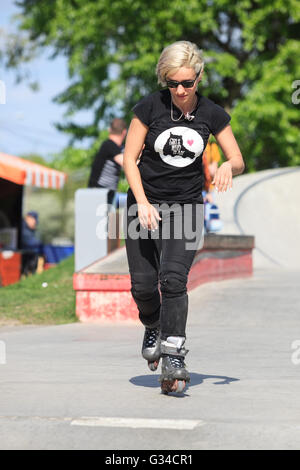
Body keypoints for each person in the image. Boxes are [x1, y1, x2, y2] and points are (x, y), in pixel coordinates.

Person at [123, 40, 245, 394]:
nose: (179, 90)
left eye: (187, 83)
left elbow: (238, 159)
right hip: (142, 205)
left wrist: (226, 164)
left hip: (187, 207)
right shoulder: (149, 107)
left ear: (199, 79)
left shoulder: (212, 114)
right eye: (172, 83)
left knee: (173, 279)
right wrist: (143, 202)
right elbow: (129, 159)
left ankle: (174, 354)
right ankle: (153, 324)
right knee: (143, 287)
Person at [88, 118, 127, 206]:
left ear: (109, 130)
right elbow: (127, 163)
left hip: (105, 193)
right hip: (99, 193)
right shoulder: (109, 145)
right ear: (124, 132)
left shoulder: (117, 148)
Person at [21, 211, 42, 276]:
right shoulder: (23, 228)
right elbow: (30, 242)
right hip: (25, 255)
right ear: (28, 218)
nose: (35, 222)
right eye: (33, 219)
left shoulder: (31, 230)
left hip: (31, 255)